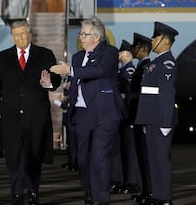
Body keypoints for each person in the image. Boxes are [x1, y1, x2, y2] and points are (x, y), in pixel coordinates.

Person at [50, 16, 124, 205]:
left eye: (85, 34)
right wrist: (50, 84)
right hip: (82, 114)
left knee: (100, 157)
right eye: (81, 34)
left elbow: (99, 71)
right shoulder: (77, 57)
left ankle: (101, 199)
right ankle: (90, 192)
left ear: (97, 37)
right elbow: (74, 85)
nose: (81, 37)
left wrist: (72, 70)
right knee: (83, 159)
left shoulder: (109, 52)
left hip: (104, 113)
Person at [0, 20, 62, 205]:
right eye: (16, 35)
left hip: (36, 116)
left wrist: (49, 83)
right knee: (14, 157)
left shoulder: (45, 54)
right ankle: (17, 194)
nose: (20, 38)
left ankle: (33, 192)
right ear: (12, 36)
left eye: (23, 34)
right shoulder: (2, 57)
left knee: (33, 156)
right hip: (11, 117)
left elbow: (55, 79)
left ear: (29, 34)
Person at [135, 22, 179, 205]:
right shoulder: (157, 62)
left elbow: (167, 95)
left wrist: (166, 123)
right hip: (151, 118)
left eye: (156, 37)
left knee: (160, 159)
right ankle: (158, 194)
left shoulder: (166, 63)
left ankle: (164, 198)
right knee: (154, 159)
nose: (152, 40)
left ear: (166, 41)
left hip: (160, 119)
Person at [110, 39, 141, 194]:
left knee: (130, 151)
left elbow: (129, 97)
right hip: (121, 116)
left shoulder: (128, 72)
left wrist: (130, 118)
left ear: (127, 54)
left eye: (121, 52)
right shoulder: (122, 71)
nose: (119, 54)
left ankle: (133, 181)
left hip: (127, 117)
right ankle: (124, 180)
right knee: (122, 150)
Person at [128, 33, 153, 205]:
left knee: (146, 156)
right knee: (141, 156)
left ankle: (150, 191)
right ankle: (146, 190)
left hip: (142, 118)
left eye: (136, 46)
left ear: (143, 48)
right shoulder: (141, 67)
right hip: (136, 116)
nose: (133, 49)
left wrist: (143, 119)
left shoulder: (147, 68)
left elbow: (148, 97)